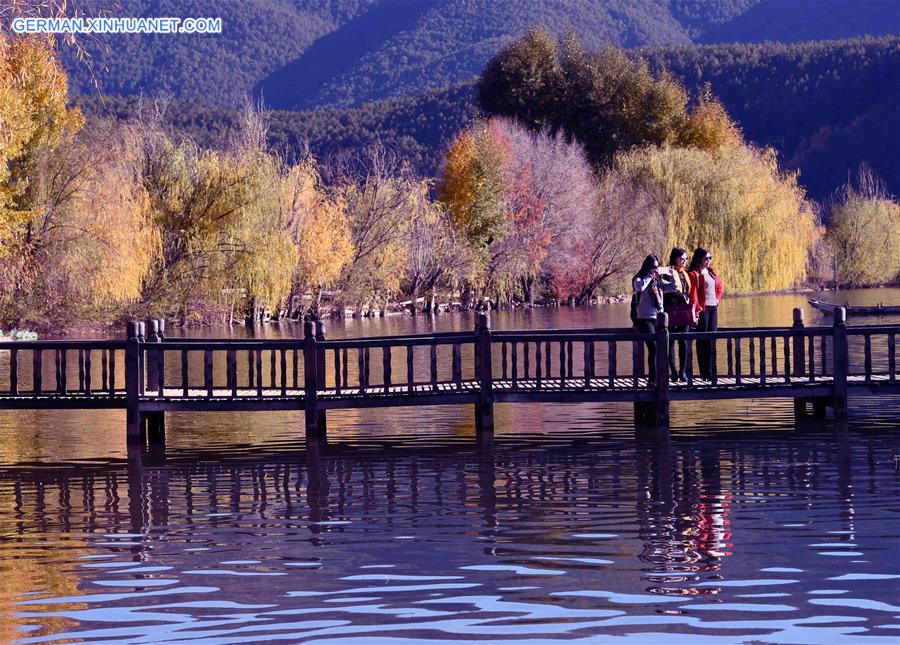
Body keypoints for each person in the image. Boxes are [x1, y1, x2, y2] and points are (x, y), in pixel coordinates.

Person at [632, 255, 674, 382]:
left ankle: (661, 377)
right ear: (648, 267)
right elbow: (640, 287)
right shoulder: (639, 279)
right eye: (653, 267)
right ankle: (653, 379)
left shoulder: (659, 281)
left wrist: (672, 275)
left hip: (659, 319)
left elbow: (674, 288)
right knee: (653, 347)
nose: (656, 270)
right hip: (645, 318)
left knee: (660, 348)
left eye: (657, 267)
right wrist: (650, 276)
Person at [688, 247, 724, 380]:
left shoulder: (711, 272)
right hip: (702, 309)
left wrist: (718, 299)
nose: (709, 261)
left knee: (711, 339)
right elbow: (693, 294)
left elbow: (720, 286)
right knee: (702, 340)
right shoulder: (694, 274)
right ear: (699, 259)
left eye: (710, 258)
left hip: (713, 308)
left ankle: (711, 371)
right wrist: (696, 309)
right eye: (706, 258)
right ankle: (704, 372)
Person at [665, 247, 691, 381]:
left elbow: (689, 292)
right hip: (671, 310)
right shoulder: (668, 272)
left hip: (684, 312)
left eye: (686, 259)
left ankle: (683, 372)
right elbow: (666, 291)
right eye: (682, 258)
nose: (684, 261)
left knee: (684, 341)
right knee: (671, 342)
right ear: (675, 259)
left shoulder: (685, 274)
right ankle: (673, 371)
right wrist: (681, 297)